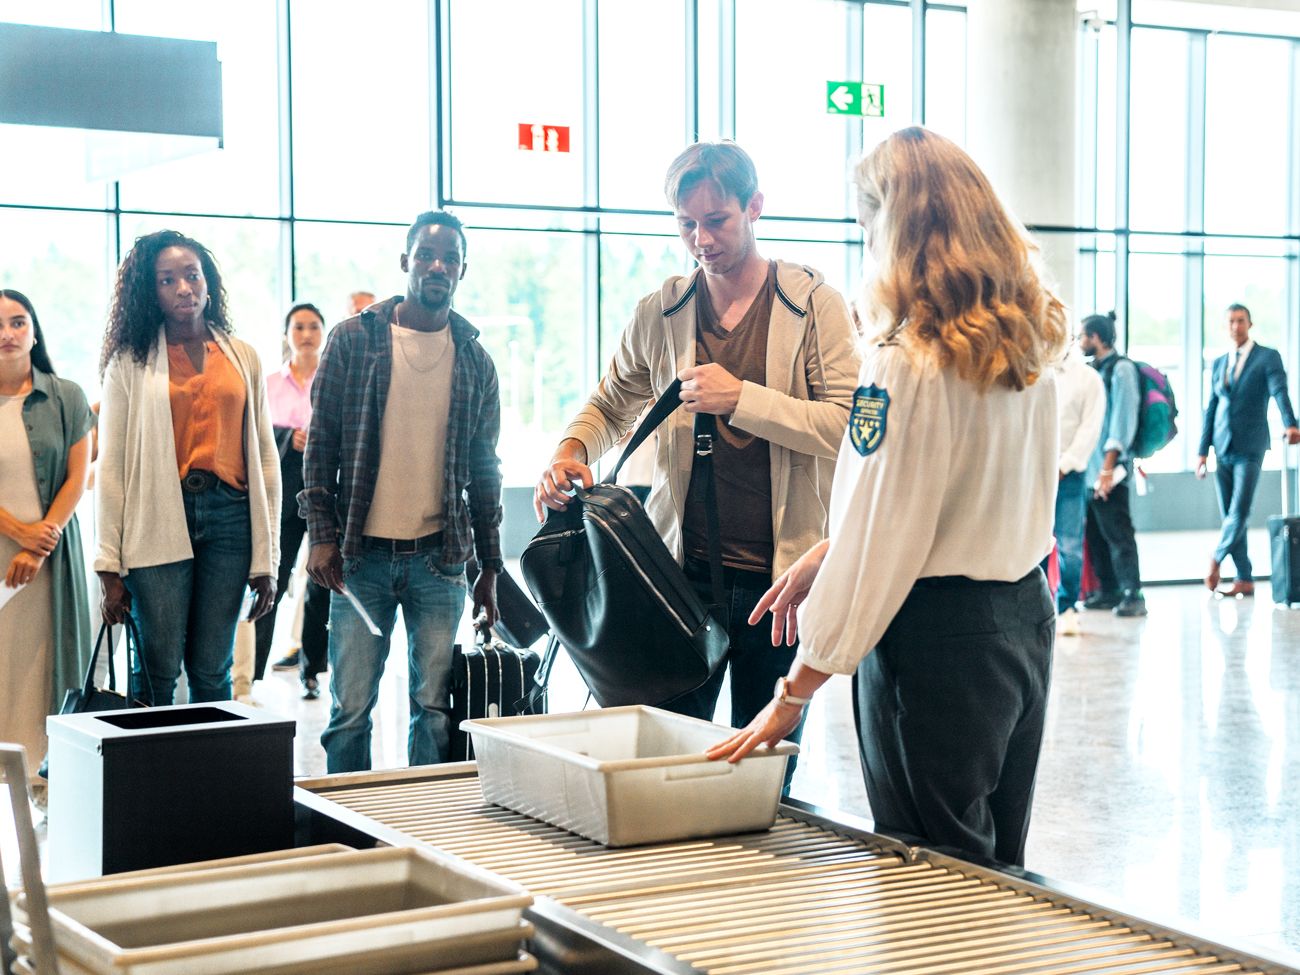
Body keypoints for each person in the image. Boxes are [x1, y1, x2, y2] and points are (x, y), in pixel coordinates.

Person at [708, 126, 1065, 868]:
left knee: (930, 872)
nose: (865, 243)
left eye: (868, 224)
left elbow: (885, 540)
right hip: (1021, 623)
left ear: (898, 230)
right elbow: (951, 499)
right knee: (995, 872)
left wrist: (792, 694)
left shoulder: (903, 362)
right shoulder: (1024, 346)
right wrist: (830, 552)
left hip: (936, 639)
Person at [534, 140, 859, 790]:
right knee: (670, 771)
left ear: (755, 207)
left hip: (781, 585)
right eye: (686, 224)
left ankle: (746, 888)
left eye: (717, 221)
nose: (701, 239)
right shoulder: (664, 308)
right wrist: (572, 451)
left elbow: (847, 429)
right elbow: (611, 400)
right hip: (678, 581)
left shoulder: (811, 303)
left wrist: (742, 400)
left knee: (760, 779)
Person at [303, 210, 502, 773]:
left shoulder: (475, 360)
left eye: (450, 258)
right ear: (405, 262)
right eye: (427, 255)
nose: (438, 266)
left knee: (434, 709)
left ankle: (424, 830)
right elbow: (319, 449)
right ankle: (346, 830)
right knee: (349, 711)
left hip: (438, 562)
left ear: (462, 269)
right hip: (358, 559)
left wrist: (491, 565)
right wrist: (322, 535)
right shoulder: (353, 341)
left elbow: (485, 470)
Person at [96, 230, 280, 705]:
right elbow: (112, 465)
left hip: (231, 518)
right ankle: (150, 777)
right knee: (156, 666)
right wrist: (108, 566)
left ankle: (205, 777)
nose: (184, 288)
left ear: (209, 281)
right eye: (167, 280)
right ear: (149, 291)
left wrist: (268, 557)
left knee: (212, 668)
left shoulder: (243, 357)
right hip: (158, 515)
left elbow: (264, 456)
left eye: (192, 275)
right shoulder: (129, 363)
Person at [0, 290, 94, 797]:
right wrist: (18, 531)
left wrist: (38, 544)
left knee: (44, 667)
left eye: (18, 322)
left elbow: (78, 478)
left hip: (50, 559)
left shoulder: (67, 396)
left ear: (34, 332)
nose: (7, 334)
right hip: (10, 550)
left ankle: (44, 786)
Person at [252, 303, 332, 699]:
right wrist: (289, 437)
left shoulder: (334, 379)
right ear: (286, 334)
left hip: (325, 492)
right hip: (282, 492)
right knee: (271, 578)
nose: (306, 334)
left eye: (313, 326)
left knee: (320, 583)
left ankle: (313, 667)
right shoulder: (268, 384)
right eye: (298, 327)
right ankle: (250, 672)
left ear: (323, 332)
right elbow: (254, 435)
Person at [1197, 303, 1300, 597]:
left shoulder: (1267, 357)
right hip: (1222, 446)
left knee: (1239, 511)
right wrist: (1202, 450)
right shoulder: (1219, 363)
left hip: (1251, 446)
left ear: (1250, 324)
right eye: (1230, 321)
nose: (1235, 326)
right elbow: (1211, 408)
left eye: (1240, 321)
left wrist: (1290, 424)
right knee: (1230, 512)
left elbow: (1280, 391)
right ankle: (1244, 578)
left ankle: (1216, 557)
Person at [1078, 312, 1147, 617]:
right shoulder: (1095, 370)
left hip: (1111, 471)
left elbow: (1122, 423)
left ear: (1096, 337)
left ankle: (1133, 594)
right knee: (1096, 533)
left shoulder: (1121, 370)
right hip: (1090, 471)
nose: (1080, 342)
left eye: (1082, 336)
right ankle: (1109, 591)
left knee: (1119, 534)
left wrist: (1107, 470)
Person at [1043, 342, 1105, 636]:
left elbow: (1090, 430)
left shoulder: (1087, 378)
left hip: (1070, 474)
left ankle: (1066, 607)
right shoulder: (1033, 372)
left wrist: (1063, 466)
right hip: (1035, 474)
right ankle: (1038, 607)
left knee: (1068, 544)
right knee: (1034, 544)